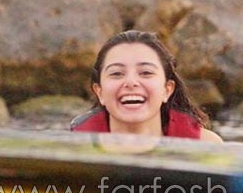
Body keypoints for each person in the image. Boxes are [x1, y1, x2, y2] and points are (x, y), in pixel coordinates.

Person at [71, 30, 223, 143]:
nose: (131, 82)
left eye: (146, 72)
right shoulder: (72, 149)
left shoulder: (206, 146)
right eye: (116, 73)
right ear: (99, 92)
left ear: (167, 89)